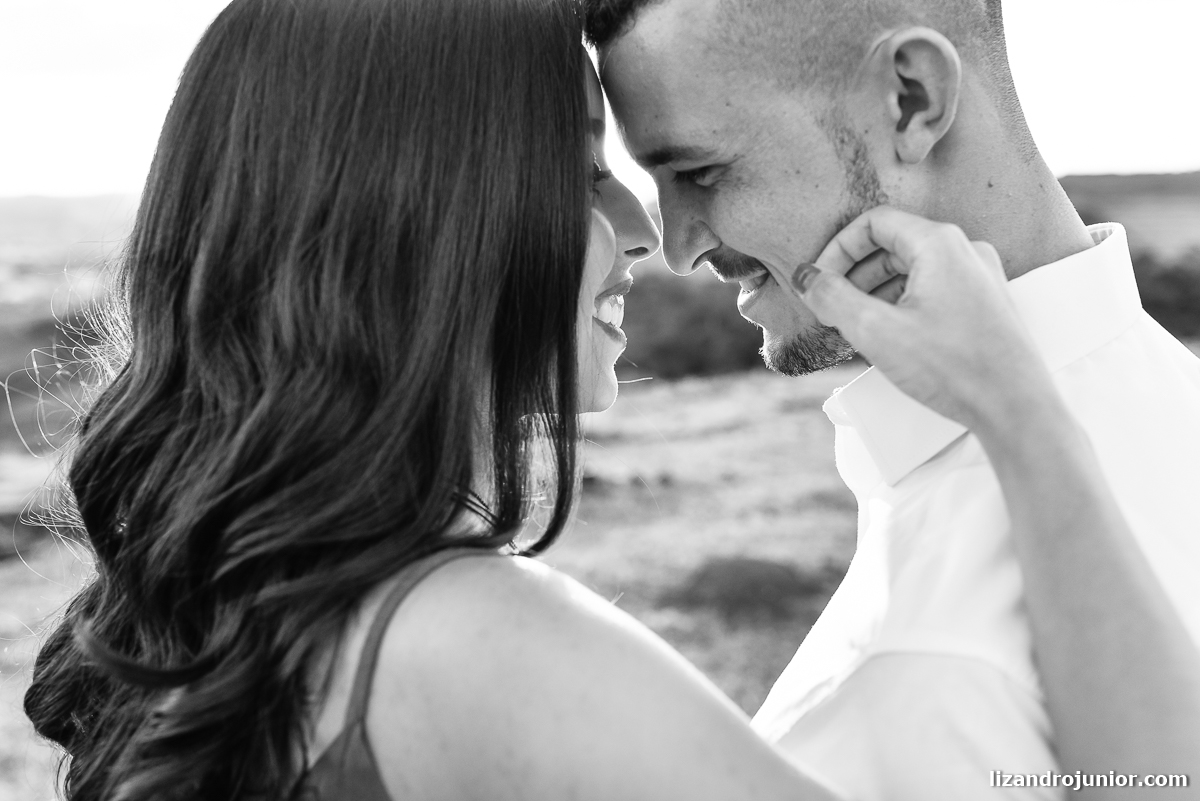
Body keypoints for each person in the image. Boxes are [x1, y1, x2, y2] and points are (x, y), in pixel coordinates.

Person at [21, 1, 1198, 800]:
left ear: (913, 99)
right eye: (591, 176)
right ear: (426, 222)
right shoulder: (488, 649)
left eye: (695, 171)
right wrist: (1025, 416)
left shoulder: (243, 624)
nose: (656, 239)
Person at [586, 0, 1200, 796]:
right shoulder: (1165, 390)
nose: (679, 243)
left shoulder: (904, 673)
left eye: (703, 173)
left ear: (911, 98)